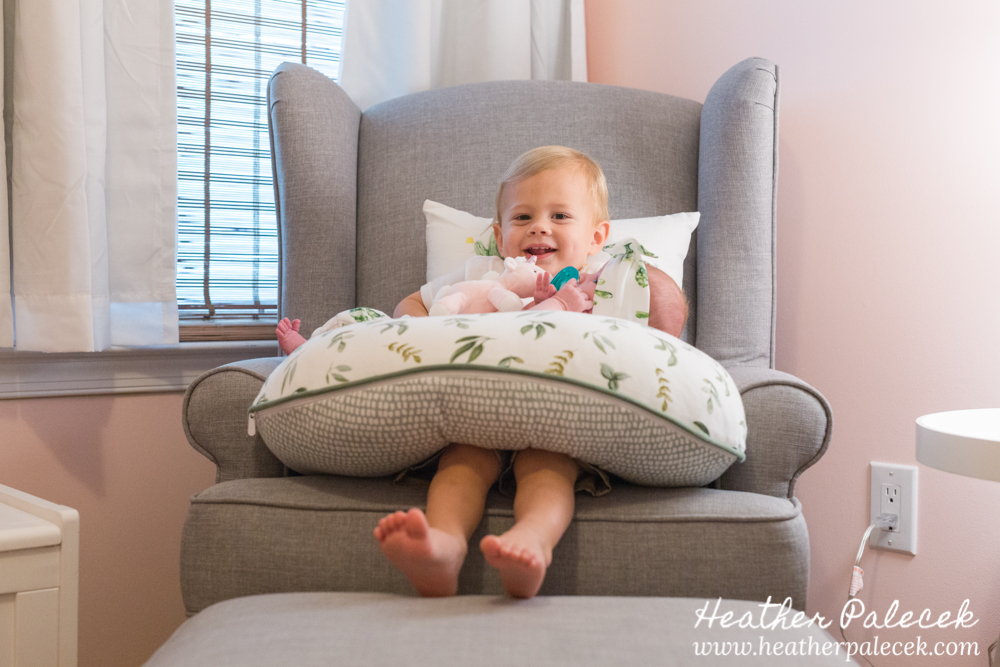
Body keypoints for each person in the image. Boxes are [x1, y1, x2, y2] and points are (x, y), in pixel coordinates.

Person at [276, 146, 689, 598]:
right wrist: (426, 330)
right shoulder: (484, 271)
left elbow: (640, 336)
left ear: (597, 236)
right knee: (461, 464)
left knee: (548, 470)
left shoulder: (602, 283)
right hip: (476, 411)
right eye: (522, 217)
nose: (539, 226)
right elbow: (410, 305)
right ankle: (444, 546)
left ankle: (533, 539)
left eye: (560, 216)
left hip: (554, 420)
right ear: (499, 234)